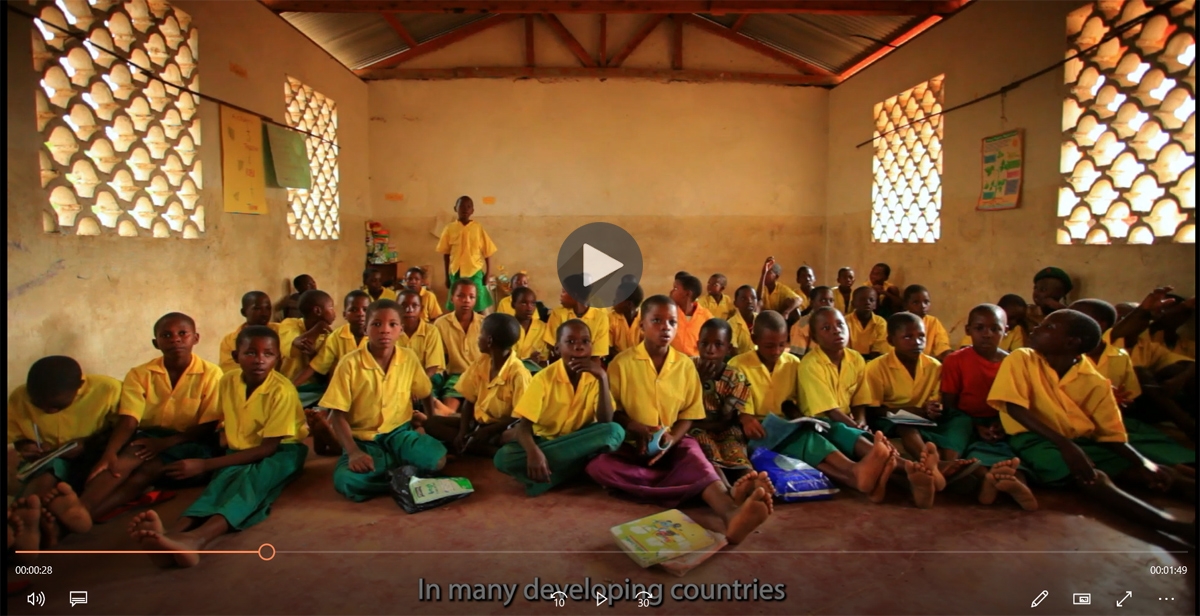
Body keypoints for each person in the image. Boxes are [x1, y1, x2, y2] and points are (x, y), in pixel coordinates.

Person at [991, 309, 1195, 543]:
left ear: (1071, 342)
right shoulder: (1021, 358)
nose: (1037, 328)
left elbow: (1111, 434)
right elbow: (1014, 407)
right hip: (1034, 440)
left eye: (1048, 327)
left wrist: (1144, 462)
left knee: (1149, 473)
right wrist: (1066, 446)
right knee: (1090, 477)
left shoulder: (1095, 381)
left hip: (1081, 441)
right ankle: (1175, 528)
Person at [586, 296, 774, 544]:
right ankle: (697, 488)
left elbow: (690, 414)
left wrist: (673, 438)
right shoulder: (621, 364)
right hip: (633, 444)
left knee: (694, 454)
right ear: (642, 325)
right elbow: (613, 412)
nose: (665, 327)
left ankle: (731, 514)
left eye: (672, 322)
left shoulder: (684, 366)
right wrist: (637, 428)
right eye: (656, 321)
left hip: (671, 444)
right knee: (597, 466)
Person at [128, 325, 309, 568]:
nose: (259, 360)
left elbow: (267, 449)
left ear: (279, 358)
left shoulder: (282, 390)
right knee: (218, 486)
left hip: (281, 451)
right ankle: (172, 533)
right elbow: (216, 420)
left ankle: (196, 539)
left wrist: (204, 464)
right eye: (250, 353)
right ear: (236, 357)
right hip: (238, 450)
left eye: (268, 354)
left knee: (249, 487)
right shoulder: (228, 381)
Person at [81, 313, 223, 530]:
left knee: (148, 470)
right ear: (156, 343)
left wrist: (165, 444)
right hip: (150, 437)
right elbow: (129, 419)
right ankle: (82, 510)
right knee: (130, 454)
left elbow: (208, 426)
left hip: (190, 442)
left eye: (182, 334)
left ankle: (83, 513)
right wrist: (110, 452)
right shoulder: (140, 374)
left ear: (196, 338)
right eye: (167, 335)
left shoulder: (212, 374)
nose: (175, 339)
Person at [792, 307, 940, 508]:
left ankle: (915, 482)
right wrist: (856, 426)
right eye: (826, 328)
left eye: (840, 325)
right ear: (816, 338)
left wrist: (861, 421)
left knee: (868, 447)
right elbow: (831, 411)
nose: (836, 331)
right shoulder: (810, 364)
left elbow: (860, 400)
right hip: (822, 422)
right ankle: (912, 467)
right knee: (847, 433)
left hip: (847, 419)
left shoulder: (855, 359)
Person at [322, 300, 447, 501]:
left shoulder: (409, 358)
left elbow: (424, 392)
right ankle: (401, 477)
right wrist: (353, 452)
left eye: (392, 324)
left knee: (437, 458)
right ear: (365, 329)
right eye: (376, 324)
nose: (385, 330)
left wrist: (431, 424)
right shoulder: (349, 364)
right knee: (346, 481)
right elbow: (337, 415)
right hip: (364, 440)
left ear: (401, 330)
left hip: (400, 433)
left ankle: (392, 472)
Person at [493, 320, 625, 496]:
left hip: (582, 438)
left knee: (615, 431)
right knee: (503, 458)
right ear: (557, 349)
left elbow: (605, 421)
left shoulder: (595, 377)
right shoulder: (543, 379)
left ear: (592, 347)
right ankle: (577, 468)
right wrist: (534, 454)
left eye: (585, 342)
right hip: (547, 442)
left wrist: (602, 378)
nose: (578, 348)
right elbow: (523, 427)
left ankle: (555, 475)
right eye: (570, 342)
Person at [8, 356, 121, 546]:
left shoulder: (108, 390)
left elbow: (126, 428)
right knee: (47, 473)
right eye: (38, 404)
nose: (49, 411)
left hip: (94, 456)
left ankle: (23, 529)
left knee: (112, 471)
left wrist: (88, 443)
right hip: (50, 461)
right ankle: (28, 523)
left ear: (79, 386)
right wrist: (25, 446)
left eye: (56, 406)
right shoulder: (20, 398)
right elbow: (17, 436)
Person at [1070, 299, 1196, 468]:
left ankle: (1179, 464)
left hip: (1116, 415)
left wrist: (1119, 401)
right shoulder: (1063, 351)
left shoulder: (1119, 355)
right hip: (1074, 416)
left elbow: (1131, 399)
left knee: (1144, 438)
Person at [855, 313, 976, 489]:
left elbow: (936, 401)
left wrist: (934, 408)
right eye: (907, 337)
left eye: (921, 336)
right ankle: (930, 463)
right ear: (891, 340)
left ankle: (948, 462)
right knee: (904, 422)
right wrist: (912, 411)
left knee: (962, 419)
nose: (917, 342)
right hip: (891, 418)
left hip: (925, 418)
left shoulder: (934, 366)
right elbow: (873, 409)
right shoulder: (876, 368)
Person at [941, 304, 1037, 510]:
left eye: (995, 329)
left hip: (1001, 420)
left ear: (1006, 331)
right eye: (979, 328)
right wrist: (976, 426)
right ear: (968, 331)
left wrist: (1001, 425)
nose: (987, 334)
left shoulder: (1013, 363)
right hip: (965, 418)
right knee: (959, 435)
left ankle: (1014, 483)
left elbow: (1018, 402)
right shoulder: (955, 360)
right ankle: (952, 467)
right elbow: (950, 405)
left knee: (1007, 450)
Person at [424, 314, 532, 457]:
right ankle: (480, 447)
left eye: (481, 333)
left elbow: (519, 417)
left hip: (501, 428)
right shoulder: (482, 362)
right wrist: (462, 431)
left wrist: (488, 431)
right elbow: (469, 400)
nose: (478, 338)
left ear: (489, 341)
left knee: (513, 435)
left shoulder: (519, 374)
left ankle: (483, 449)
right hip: (477, 423)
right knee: (431, 423)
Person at [688, 319, 754, 484]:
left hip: (724, 428)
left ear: (728, 348)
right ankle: (725, 488)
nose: (710, 350)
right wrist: (699, 382)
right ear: (698, 344)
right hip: (692, 427)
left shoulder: (734, 377)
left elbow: (726, 419)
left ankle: (750, 482)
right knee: (706, 451)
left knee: (735, 452)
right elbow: (679, 404)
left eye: (718, 344)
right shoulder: (687, 368)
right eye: (705, 343)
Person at [728, 311, 801, 439]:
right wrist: (745, 417)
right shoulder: (738, 365)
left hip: (787, 425)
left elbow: (796, 398)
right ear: (754, 339)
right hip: (756, 427)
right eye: (769, 346)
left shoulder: (793, 363)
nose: (776, 351)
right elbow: (739, 406)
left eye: (782, 344)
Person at [293, 290, 371, 387]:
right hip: (340, 392)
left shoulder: (378, 336)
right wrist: (291, 387)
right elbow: (316, 366)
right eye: (353, 310)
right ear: (344, 314)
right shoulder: (336, 336)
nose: (360, 314)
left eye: (365, 309)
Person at [437, 196, 498, 312]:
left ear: (472, 211)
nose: (465, 209)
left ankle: (479, 328)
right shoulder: (449, 228)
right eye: (462, 206)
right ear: (455, 208)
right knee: (456, 304)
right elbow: (445, 254)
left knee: (478, 304)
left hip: (475, 272)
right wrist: (447, 277)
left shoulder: (478, 228)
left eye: (468, 206)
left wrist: (487, 274)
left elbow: (488, 252)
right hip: (456, 273)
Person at [433, 280, 483, 412]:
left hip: (482, 378)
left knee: (482, 411)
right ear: (452, 298)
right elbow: (440, 358)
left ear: (475, 299)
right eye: (461, 296)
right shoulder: (441, 324)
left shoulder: (484, 323)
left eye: (471, 297)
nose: (466, 300)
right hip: (456, 379)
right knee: (446, 411)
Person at [276, 290, 337, 399]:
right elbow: (299, 345)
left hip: (314, 389)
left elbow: (322, 371)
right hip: (286, 383)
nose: (334, 313)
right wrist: (319, 327)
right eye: (331, 308)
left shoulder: (329, 335)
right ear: (317, 310)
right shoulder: (290, 324)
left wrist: (313, 355)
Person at [218, 291, 276, 372]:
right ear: (244, 312)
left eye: (268, 308)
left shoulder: (280, 331)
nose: (264, 313)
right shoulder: (229, 341)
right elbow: (230, 371)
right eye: (257, 308)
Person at [544, 288, 610, 359]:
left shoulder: (600, 317)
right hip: (562, 360)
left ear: (575, 295)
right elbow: (553, 346)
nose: (561, 296)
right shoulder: (558, 313)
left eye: (564, 292)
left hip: (588, 362)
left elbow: (597, 355)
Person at [397, 290, 447, 378]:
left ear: (421, 309)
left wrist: (417, 386)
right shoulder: (392, 331)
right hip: (400, 379)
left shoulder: (431, 331)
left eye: (414, 305)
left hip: (429, 378)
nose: (409, 310)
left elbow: (432, 368)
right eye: (403, 306)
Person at [902, 284, 952, 360]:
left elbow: (942, 346)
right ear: (906, 305)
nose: (923, 306)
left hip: (925, 365)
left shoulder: (933, 322)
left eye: (926, 302)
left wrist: (950, 358)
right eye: (916, 302)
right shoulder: (899, 322)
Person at [668, 274, 713, 358]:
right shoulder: (668, 313)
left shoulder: (706, 316)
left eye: (675, 288)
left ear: (687, 294)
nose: (671, 292)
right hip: (671, 361)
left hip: (695, 362)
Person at [511, 286, 550, 373]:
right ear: (513, 304)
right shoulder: (506, 327)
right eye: (524, 303)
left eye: (533, 304)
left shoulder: (543, 328)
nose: (529, 308)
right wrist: (527, 362)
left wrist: (537, 361)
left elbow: (544, 361)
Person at [788, 286, 836, 356]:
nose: (828, 304)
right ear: (812, 303)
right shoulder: (802, 325)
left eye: (831, 300)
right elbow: (797, 355)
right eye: (823, 300)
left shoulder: (837, 322)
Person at [847, 286, 889, 360]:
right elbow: (844, 350)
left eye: (871, 300)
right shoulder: (844, 321)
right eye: (862, 300)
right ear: (853, 303)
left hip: (873, 362)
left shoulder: (880, 322)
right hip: (850, 361)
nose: (867, 302)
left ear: (875, 304)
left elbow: (878, 351)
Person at [757, 257, 802, 321]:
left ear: (776, 277)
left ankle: (792, 329)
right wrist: (763, 273)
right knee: (758, 303)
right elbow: (758, 297)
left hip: (779, 319)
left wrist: (787, 312)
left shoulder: (781, 288)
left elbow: (799, 300)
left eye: (768, 272)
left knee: (794, 307)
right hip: (764, 319)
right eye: (765, 272)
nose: (765, 275)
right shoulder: (761, 287)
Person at [609, 285, 645, 357]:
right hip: (616, 361)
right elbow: (609, 348)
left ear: (629, 305)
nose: (614, 301)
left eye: (618, 298)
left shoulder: (645, 320)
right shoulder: (611, 318)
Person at [729, 285, 757, 357]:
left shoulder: (762, 320)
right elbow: (733, 351)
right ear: (735, 303)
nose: (749, 301)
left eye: (753, 298)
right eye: (744, 298)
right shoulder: (731, 324)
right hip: (741, 364)